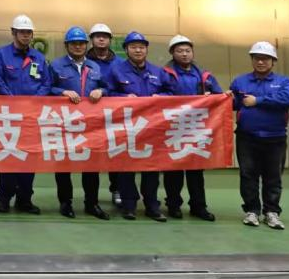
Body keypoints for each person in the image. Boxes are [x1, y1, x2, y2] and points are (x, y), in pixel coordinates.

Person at [103, 31, 176, 221]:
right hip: (126, 127)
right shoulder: (116, 71)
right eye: (133, 47)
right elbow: (107, 94)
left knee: (151, 168)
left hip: (152, 127)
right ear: (126, 49)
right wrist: (123, 97)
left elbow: (171, 92)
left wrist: (161, 97)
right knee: (126, 168)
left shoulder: (158, 72)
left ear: (146, 49)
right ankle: (129, 206)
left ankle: (152, 205)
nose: (138, 50)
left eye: (141, 47)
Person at [229, 41, 289, 230]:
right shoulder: (240, 81)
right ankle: (252, 211)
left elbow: (287, 99)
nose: (260, 62)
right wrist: (222, 97)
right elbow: (233, 104)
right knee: (247, 175)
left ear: (273, 61)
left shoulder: (284, 82)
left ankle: (271, 212)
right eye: (257, 58)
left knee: (273, 177)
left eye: (265, 59)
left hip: (275, 138)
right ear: (252, 60)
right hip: (247, 137)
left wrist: (258, 100)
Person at [0, 14, 50, 214]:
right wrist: (12, 100)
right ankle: (4, 199)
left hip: (32, 116)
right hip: (9, 115)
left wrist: (34, 101)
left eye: (28, 32)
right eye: (22, 32)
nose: (26, 35)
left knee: (28, 158)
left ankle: (25, 199)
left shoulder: (38, 58)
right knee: (9, 156)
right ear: (13, 33)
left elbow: (46, 83)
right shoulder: (1, 54)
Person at [50, 27, 110, 220]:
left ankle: (92, 203)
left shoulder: (94, 67)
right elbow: (46, 87)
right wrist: (62, 92)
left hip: (90, 124)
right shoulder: (56, 65)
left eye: (81, 43)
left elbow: (107, 88)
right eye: (74, 44)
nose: (78, 47)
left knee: (91, 165)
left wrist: (101, 91)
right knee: (64, 165)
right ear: (67, 45)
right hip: (64, 122)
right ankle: (65, 203)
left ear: (86, 45)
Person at [162, 35, 221, 221]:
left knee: (196, 171)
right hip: (173, 127)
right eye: (179, 51)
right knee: (173, 170)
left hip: (196, 127)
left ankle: (198, 206)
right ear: (172, 53)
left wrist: (215, 97)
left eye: (187, 50)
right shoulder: (164, 73)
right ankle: (173, 205)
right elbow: (157, 94)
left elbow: (219, 96)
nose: (184, 54)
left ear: (192, 52)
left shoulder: (204, 75)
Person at [87, 23, 122, 208]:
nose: (101, 39)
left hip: (114, 115)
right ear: (91, 40)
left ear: (110, 40)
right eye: (97, 36)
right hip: (89, 116)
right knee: (91, 155)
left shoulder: (120, 63)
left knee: (116, 153)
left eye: (105, 36)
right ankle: (91, 197)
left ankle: (117, 189)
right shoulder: (83, 61)